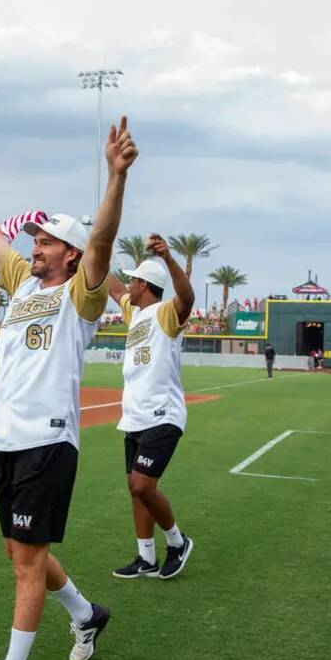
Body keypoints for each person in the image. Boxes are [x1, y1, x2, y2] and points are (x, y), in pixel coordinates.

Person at [0, 117, 138, 660]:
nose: (34, 245)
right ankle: (86, 613)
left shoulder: (83, 292)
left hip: (50, 441)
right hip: (8, 439)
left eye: (46, 240)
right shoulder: (23, 283)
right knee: (23, 553)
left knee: (25, 560)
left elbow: (103, 238)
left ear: (70, 253)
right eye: (37, 238)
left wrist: (114, 176)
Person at [105, 234, 195, 580]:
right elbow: (112, 287)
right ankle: (147, 558)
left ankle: (177, 541)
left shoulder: (164, 313)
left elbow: (186, 297)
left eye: (133, 279)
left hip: (163, 416)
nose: (128, 284)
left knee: (143, 485)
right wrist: (87, 249)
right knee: (134, 488)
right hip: (135, 417)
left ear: (144, 285)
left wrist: (170, 258)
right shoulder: (136, 312)